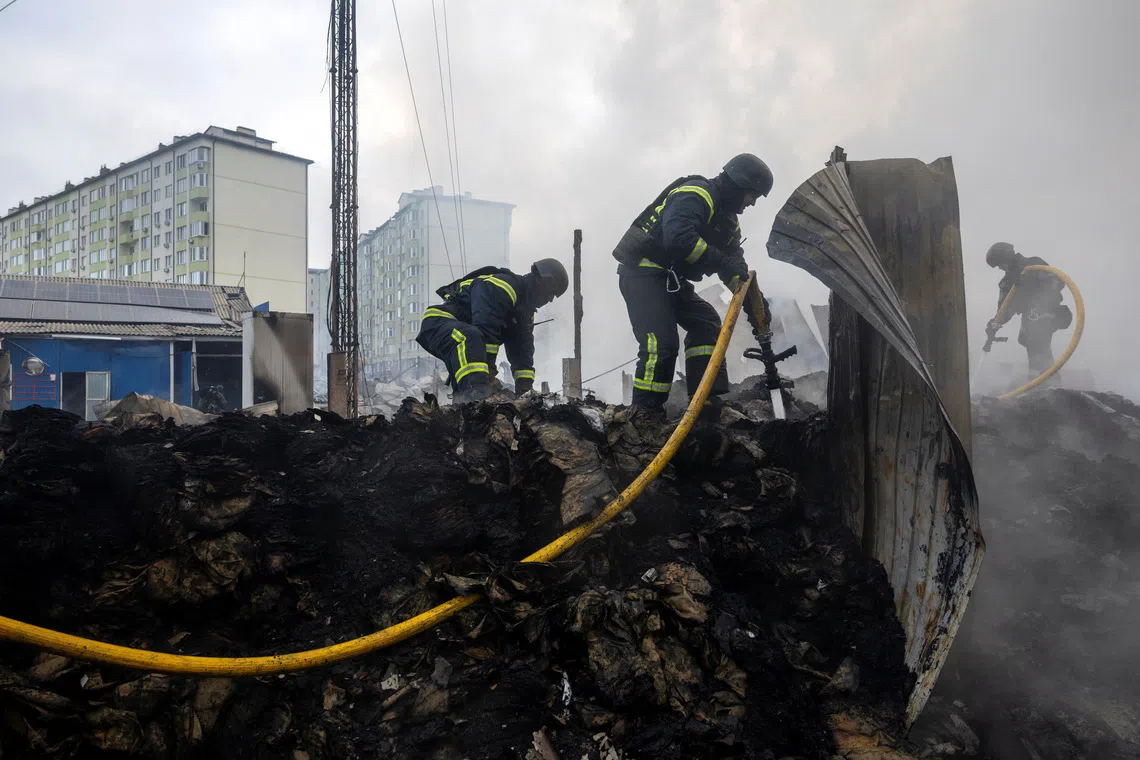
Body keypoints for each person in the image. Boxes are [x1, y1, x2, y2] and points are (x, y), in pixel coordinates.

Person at [611, 153, 774, 418]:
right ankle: (644, 415)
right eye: (752, 195)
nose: (752, 203)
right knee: (661, 344)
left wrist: (755, 305)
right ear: (738, 184)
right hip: (643, 274)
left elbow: (734, 270)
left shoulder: (728, 222)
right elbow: (679, 240)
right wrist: (722, 260)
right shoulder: (696, 193)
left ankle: (706, 401)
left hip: (670, 280)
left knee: (706, 323)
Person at [416, 259, 569, 402]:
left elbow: (523, 354)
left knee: (468, 374)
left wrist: (525, 392)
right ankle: (477, 403)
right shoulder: (504, 286)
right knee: (471, 339)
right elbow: (486, 328)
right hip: (438, 322)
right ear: (541, 282)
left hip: (464, 337)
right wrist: (488, 375)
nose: (549, 301)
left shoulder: (524, 314)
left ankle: (463, 411)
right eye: (550, 295)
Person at [984, 242, 1072, 381]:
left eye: (1000, 263)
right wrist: (994, 323)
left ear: (1008, 257)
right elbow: (1005, 310)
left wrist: (1031, 281)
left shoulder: (1034, 264)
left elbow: (1058, 282)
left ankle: (1045, 384)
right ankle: (1040, 383)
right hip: (1030, 319)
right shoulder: (1007, 282)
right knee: (1028, 341)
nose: (1000, 268)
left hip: (1047, 312)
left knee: (1036, 340)